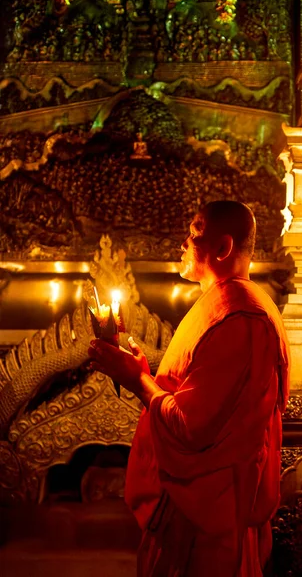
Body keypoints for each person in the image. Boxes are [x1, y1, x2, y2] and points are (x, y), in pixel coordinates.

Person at [88, 200, 290, 576]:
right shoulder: (221, 306)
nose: (182, 242)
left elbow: (191, 427)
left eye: (194, 233)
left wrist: (137, 381)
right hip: (192, 511)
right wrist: (149, 375)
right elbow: (197, 397)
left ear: (223, 248)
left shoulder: (241, 319)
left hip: (209, 516)